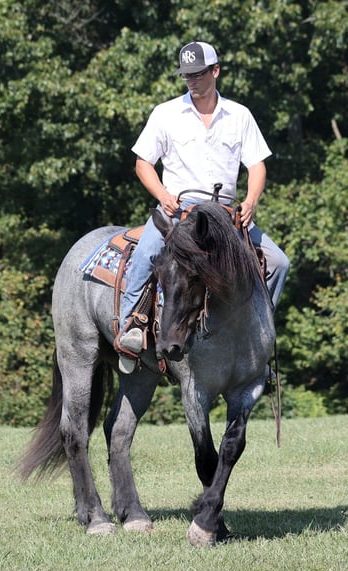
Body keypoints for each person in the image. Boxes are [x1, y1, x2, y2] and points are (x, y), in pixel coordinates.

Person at [116, 41, 289, 373]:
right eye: (186, 76)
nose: (192, 81)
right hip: (179, 210)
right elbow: (143, 164)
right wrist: (163, 195)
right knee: (147, 252)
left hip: (224, 215)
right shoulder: (165, 113)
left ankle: (257, 333)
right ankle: (131, 326)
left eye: (198, 74)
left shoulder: (239, 115)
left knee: (279, 262)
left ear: (215, 71)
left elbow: (257, 166)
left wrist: (251, 200)